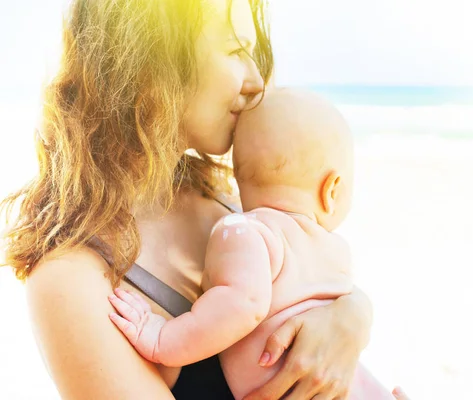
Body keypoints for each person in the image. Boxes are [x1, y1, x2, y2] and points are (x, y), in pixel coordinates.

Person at [0, 0, 409, 398]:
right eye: (235, 51)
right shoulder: (70, 278)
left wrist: (352, 318)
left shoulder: (225, 197)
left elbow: (320, 285)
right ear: (150, 54)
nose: (257, 82)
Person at [108, 88, 396, 399]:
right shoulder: (335, 249)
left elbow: (242, 305)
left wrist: (160, 337)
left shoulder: (246, 232)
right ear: (332, 191)